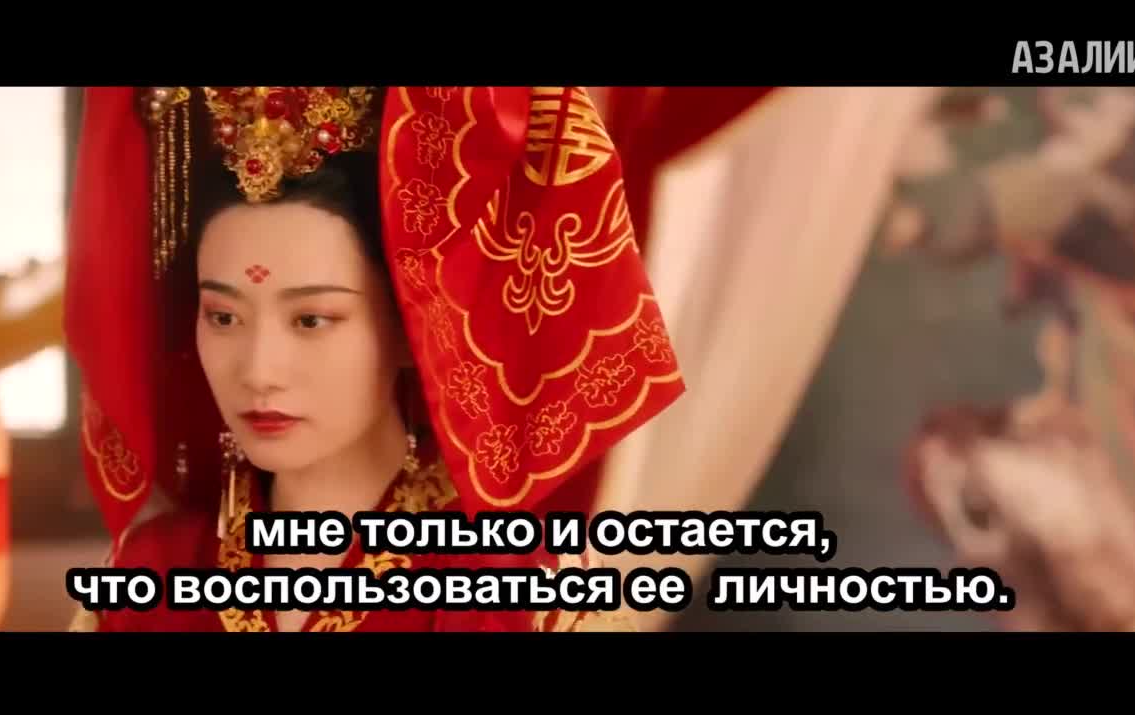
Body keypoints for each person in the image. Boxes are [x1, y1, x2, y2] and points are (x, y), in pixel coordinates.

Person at [63, 86, 685, 632]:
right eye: (224, 317)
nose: (258, 370)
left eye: (311, 319)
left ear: (408, 329)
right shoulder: (148, 579)